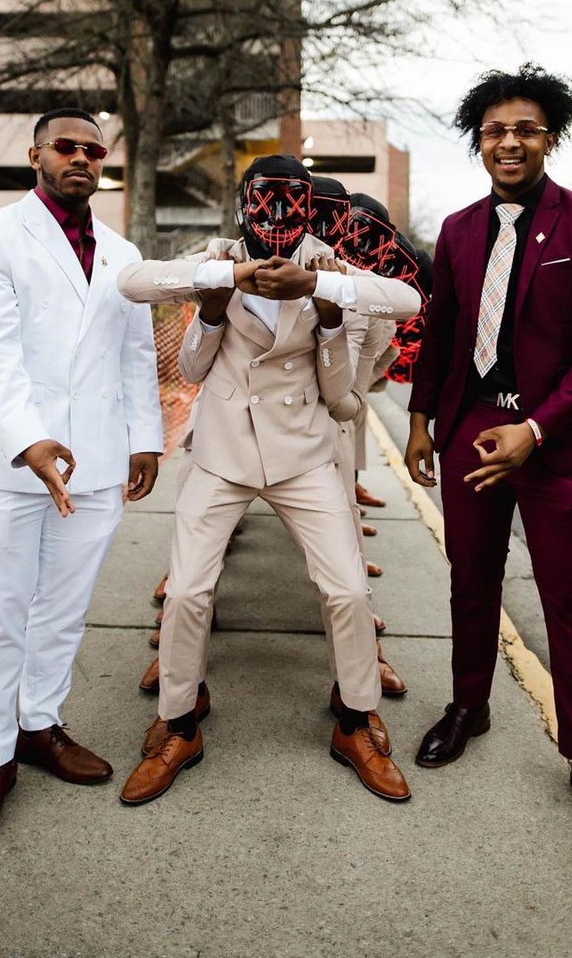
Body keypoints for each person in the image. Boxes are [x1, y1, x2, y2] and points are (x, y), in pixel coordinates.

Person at [405, 65, 572, 857]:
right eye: (494, 131)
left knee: (570, 598)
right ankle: (468, 707)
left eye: (525, 129)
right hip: (473, 427)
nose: (508, 142)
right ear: (479, 144)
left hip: (560, 442)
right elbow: (441, 334)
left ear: (550, 137)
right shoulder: (457, 230)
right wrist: (420, 419)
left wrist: (537, 431)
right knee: (469, 579)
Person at [116, 154, 420, 805]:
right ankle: (178, 721)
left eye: (293, 201)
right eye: (265, 199)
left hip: (303, 455)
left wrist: (328, 299)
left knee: (346, 591)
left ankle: (355, 720)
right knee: (189, 592)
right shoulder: (216, 256)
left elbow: (403, 304)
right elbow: (147, 300)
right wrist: (221, 294)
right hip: (223, 453)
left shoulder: (326, 264)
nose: (278, 215)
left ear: (308, 206)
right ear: (244, 202)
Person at [0, 108, 163, 850]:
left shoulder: (123, 251)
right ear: (35, 152)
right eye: (66, 146)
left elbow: (136, 355)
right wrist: (30, 441)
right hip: (5, 465)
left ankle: (39, 726)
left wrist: (146, 440)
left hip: (96, 463)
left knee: (63, 613)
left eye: (93, 150)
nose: (80, 157)